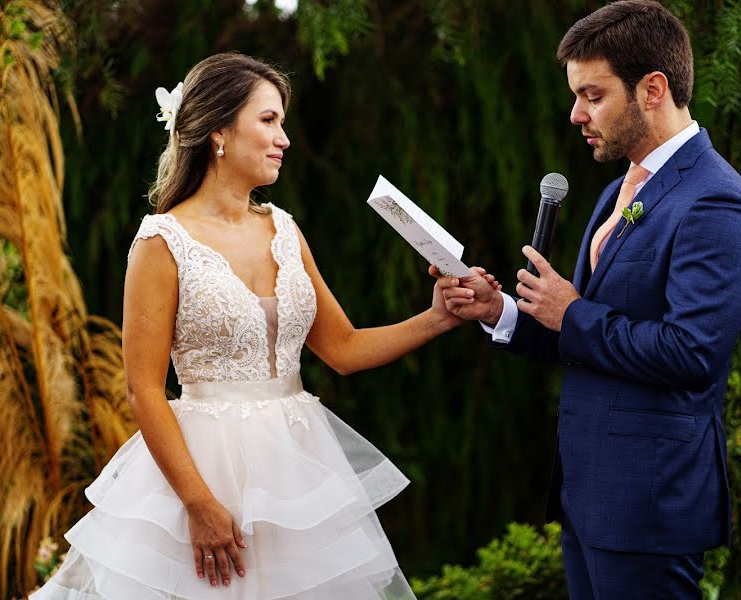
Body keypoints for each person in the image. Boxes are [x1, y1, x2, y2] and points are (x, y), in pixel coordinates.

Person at [31, 52, 495, 600]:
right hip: (202, 471)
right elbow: (144, 390)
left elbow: (344, 349)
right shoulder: (161, 242)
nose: (285, 138)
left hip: (297, 469)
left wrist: (437, 318)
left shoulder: (285, 229)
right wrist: (198, 503)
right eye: (269, 120)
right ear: (219, 131)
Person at [436, 1, 741, 598]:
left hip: (649, 503)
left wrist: (572, 312)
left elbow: (691, 355)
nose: (575, 114)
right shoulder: (621, 189)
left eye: (592, 95)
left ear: (653, 89)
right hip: (589, 496)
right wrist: (503, 312)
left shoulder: (717, 202)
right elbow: (587, 340)